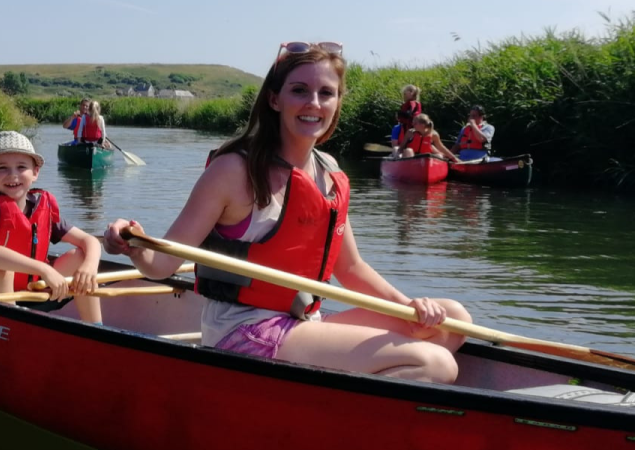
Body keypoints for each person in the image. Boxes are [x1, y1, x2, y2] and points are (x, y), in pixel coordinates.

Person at [103, 43, 470, 383]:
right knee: (434, 364)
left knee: (451, 320)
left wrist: (409, 307)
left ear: (338, 101)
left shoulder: (328, 169)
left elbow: (351, 268)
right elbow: (162, 264)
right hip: (244, 331)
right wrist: (132, 242)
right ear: (275, 99)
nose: (313, 103)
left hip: (301, 321)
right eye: (299, 90)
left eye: (326, 93)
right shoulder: (234, 170)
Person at [0, 131, 103, 323]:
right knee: (0, 267)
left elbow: (89, 240)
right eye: (2, 168)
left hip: (36, 292)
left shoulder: (43, 207)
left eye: (21, 167)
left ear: (35, 173)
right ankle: (11, 328)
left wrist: (89, 268)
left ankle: (96, 329)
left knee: (81, 256)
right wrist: (45, 269)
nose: (13, 175)